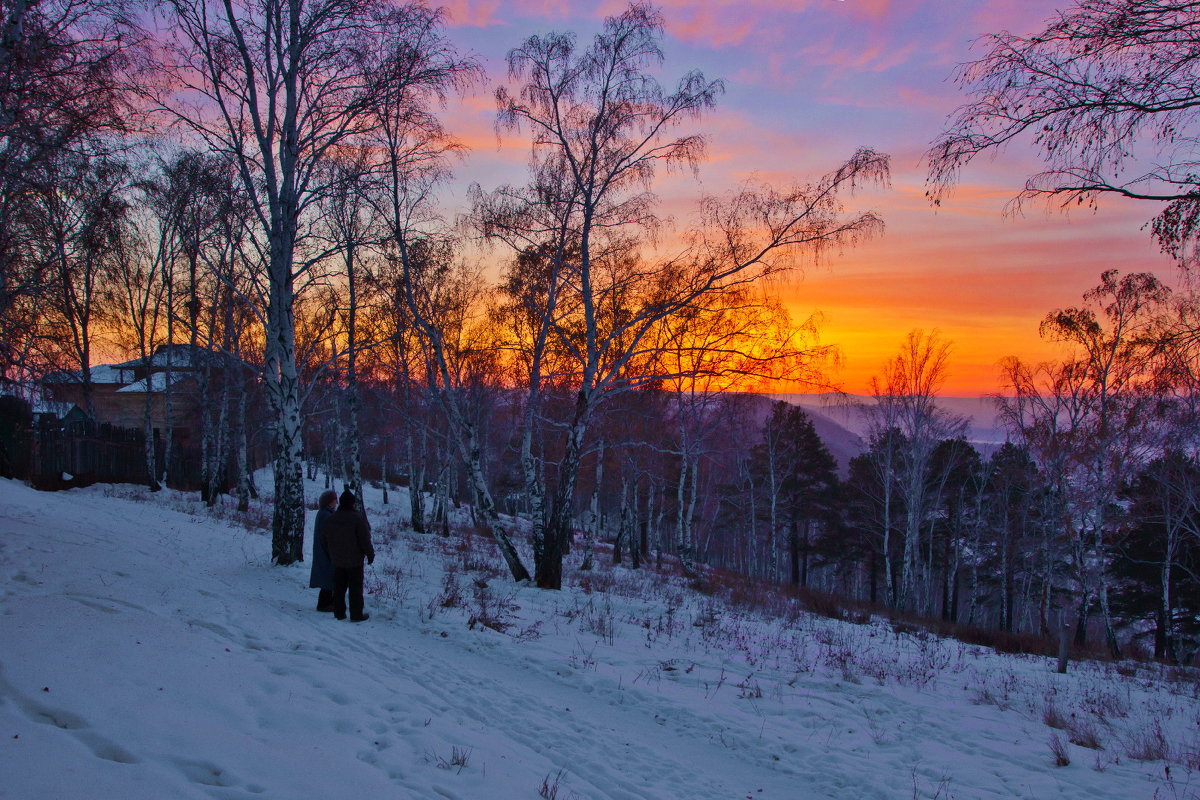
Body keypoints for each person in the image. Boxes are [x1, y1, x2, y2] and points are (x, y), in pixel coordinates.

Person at [321, 489, 375, 622]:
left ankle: (339, 613)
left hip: (337, 560)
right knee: (355, 589)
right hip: (355, 561)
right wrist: (370, 554)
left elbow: (324, 540)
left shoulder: (331, 518)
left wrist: (331, 553)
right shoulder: (356, 518)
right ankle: (356, 615)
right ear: (352, 503)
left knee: (339, 588)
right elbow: (365, 538)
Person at [308, 489, 337, 612]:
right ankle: (324, 604)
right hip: (326, 551)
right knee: (328, 577)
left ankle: (328, 603)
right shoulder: (326, 515)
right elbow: (328, 536)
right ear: (330, 501)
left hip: (324, 550)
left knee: (329, 577)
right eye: (335, 499)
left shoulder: (325, 513)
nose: (336, 502)